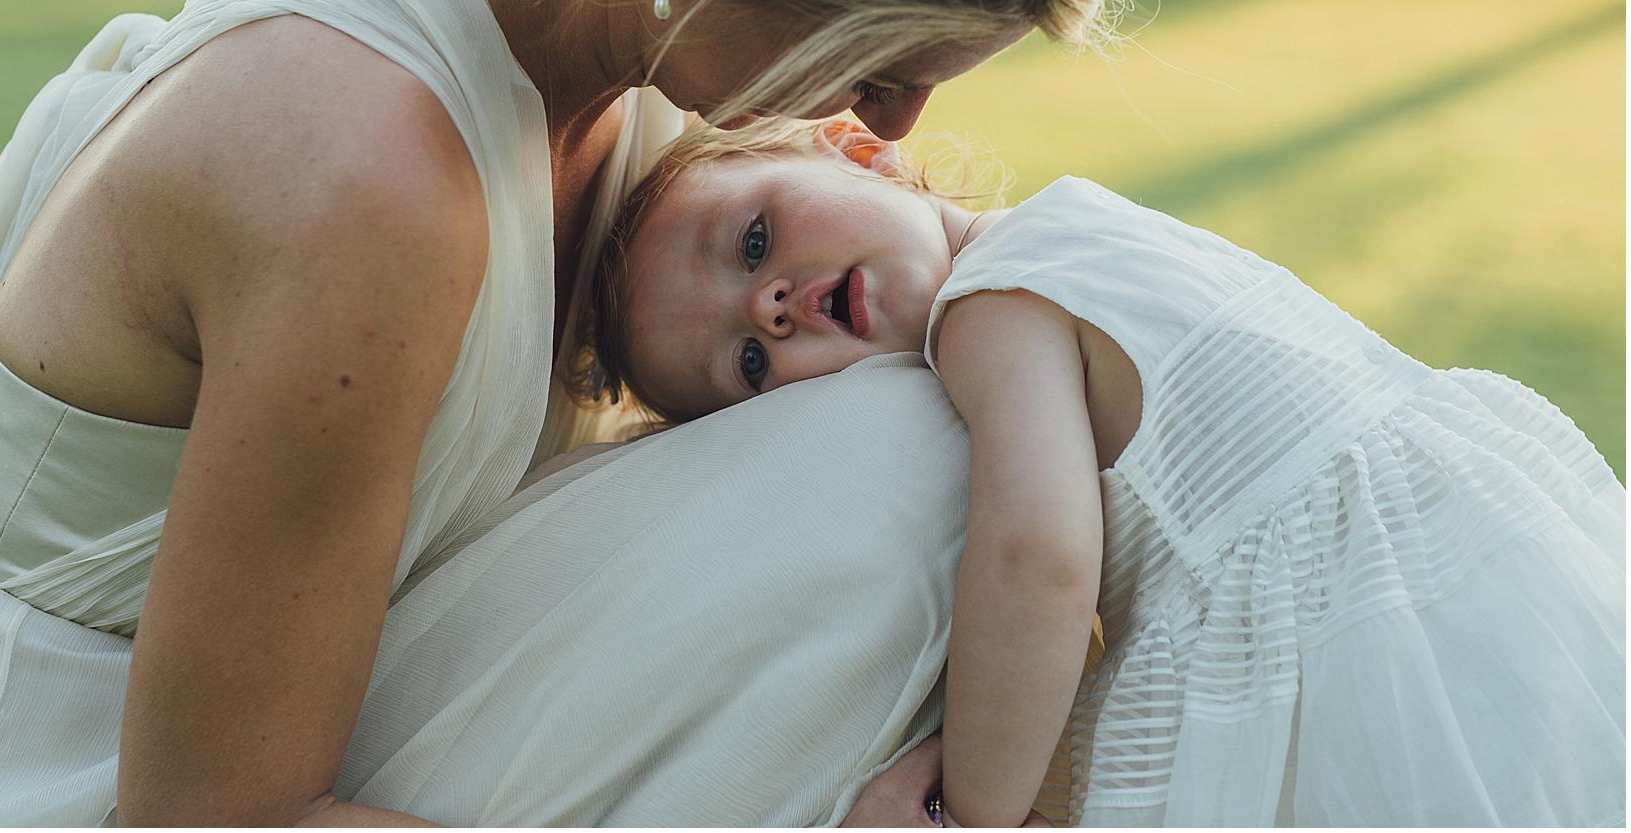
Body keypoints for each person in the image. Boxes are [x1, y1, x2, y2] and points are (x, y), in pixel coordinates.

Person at [0, 0, 1132, 826]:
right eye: (875, 67)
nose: (895, 131)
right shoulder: (362, 176)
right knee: (905, 457)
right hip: (57, 782)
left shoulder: (649, 93)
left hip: (341, 746)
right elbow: (208, 819)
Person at [580, 116, 1627, 826]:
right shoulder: (1075, 220)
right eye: (749, 364)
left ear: (858, 150)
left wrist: (973, 812)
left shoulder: (989, 307)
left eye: (755, 239)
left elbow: (1036, 552)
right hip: (1475, 556)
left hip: (1350, 627)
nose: (767, 305)